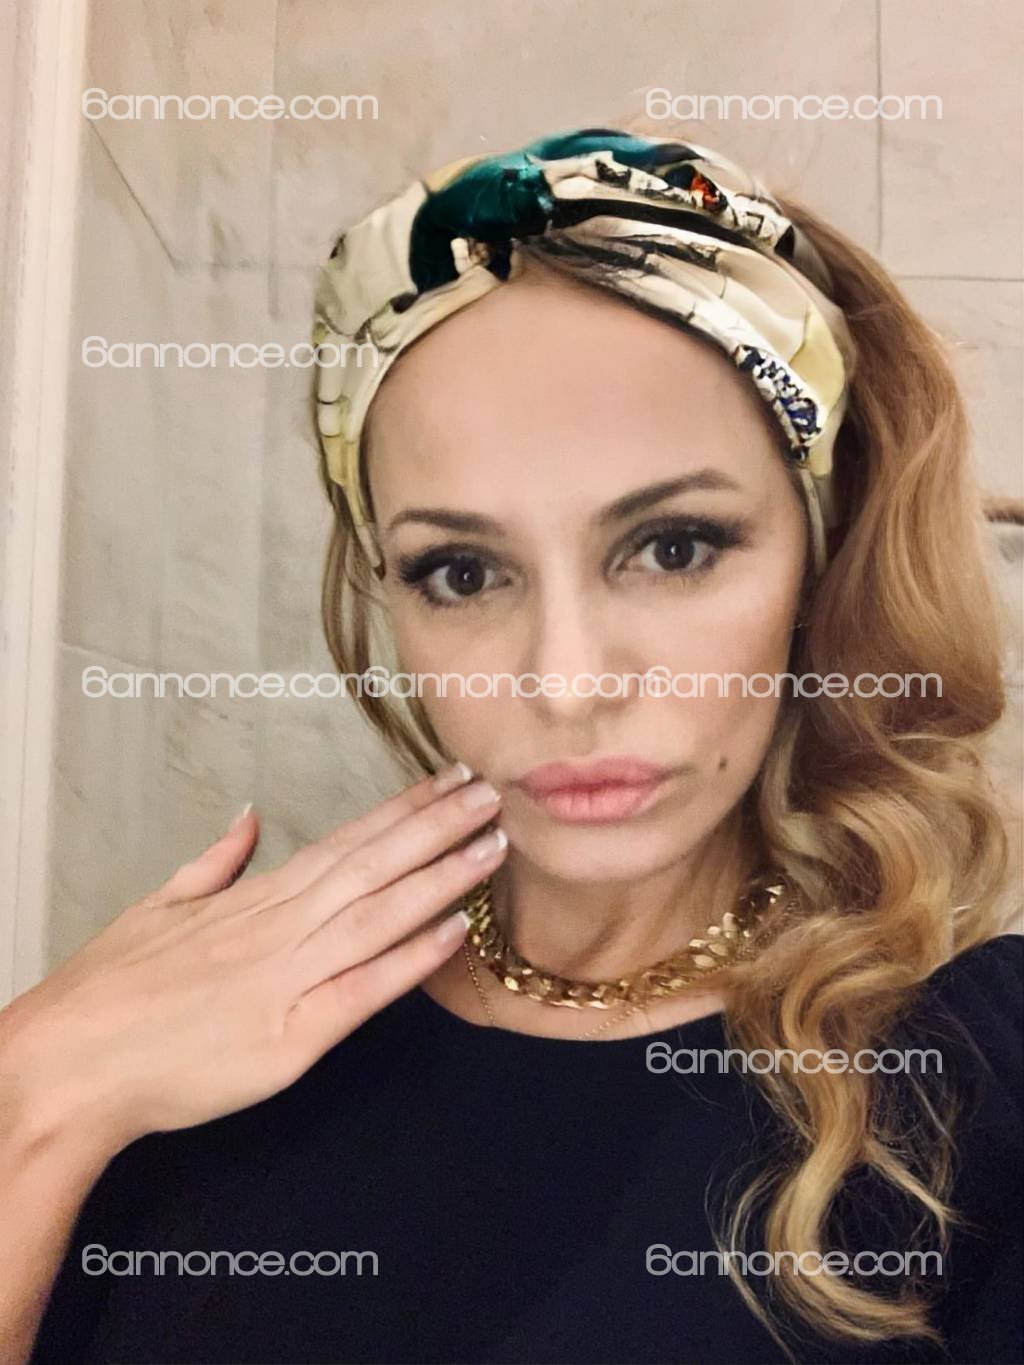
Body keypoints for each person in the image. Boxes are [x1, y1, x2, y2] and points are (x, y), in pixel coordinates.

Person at [3, 127, 1021, 1364]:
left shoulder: (970, 1080)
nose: (566, 683)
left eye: (674, 547)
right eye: (462, 571)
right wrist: (36, 1092)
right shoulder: (201, 1032)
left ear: (819, 559)